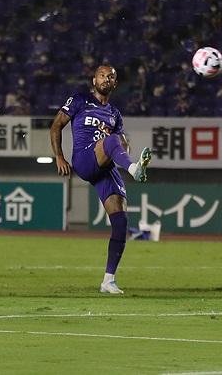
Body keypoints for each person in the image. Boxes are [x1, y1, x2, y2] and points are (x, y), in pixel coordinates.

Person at [50, 64, 152, 294]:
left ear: (115, 84)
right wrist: (59, 156)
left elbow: (121, 143)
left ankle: (108, 280)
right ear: (94, 79)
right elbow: (56, 125)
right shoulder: (79, 100)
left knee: (121, 219)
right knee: (114, 140)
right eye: (102, 75)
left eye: (111, 77)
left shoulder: (114, 114)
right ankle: (135, 169)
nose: (106, 79)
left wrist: (121, 146)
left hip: (104, 165)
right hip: (85, 159)